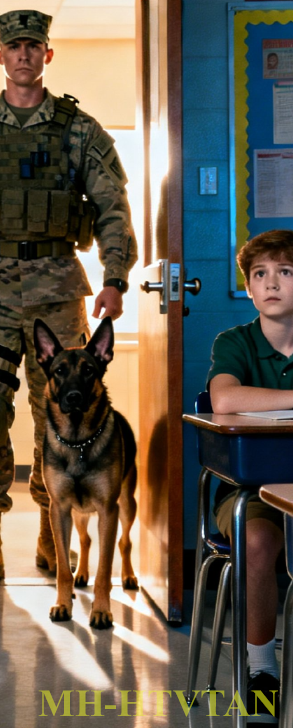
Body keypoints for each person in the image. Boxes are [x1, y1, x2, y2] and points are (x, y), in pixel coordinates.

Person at [0, 9, 137, 589]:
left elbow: (113, 205)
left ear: (46, 55)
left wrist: (115, 275)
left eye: (33, 45)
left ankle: (49, 525)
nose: (23, 54)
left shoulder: (77, 130)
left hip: (60, 287)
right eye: (14, 46)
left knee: (59, 414)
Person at [208, 228, 293, 714]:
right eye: (260, 274)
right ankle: (262, 667)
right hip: (252, 492)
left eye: (284, 272)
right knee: (258, 542)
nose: (272, 283)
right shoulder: (235, 342)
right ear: (249, 287)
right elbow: (224, 399)